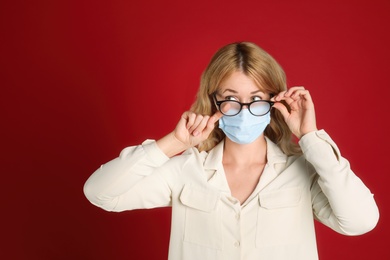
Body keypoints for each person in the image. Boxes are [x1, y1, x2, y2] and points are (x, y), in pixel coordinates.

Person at [84, 42, 379, 260]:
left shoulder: (300, 172)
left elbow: (360, 221)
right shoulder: (187, 170)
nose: (245, 110)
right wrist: (173, 144)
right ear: (214, 102)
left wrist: (311, 137)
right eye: (230, 99)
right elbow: (100, 193)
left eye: (257, 98)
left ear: (274, 101)